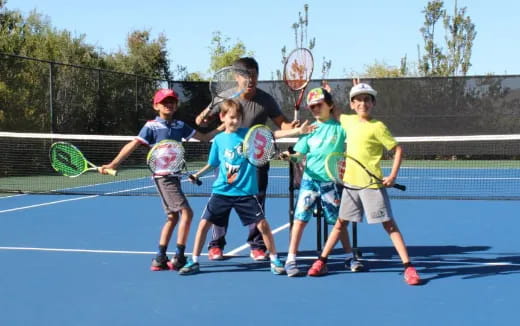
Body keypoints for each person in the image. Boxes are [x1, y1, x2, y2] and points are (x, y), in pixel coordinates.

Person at [179, 99, 313, 275]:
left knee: (263, 225)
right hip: (221, 192)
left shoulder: (249, 135)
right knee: (204, 224)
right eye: (232, 117)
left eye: (239, 117)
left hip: (246, 192)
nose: (236, 121)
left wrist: (297, 131)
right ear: (222, 117)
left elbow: (272, 134)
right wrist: (197, 175)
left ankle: (274, 260)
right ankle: (194, 260)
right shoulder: (218, 140)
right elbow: (213, 163)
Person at [307, 82, 421, 285]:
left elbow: (398, 150)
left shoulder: (378, 127)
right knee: (340, 224)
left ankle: (408, 267)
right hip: (350, 185)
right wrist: (328, 94)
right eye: (358, 99)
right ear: (352, 104)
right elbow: (335, 111)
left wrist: (392, 176)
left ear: (373, 103)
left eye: (367, 99)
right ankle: (321, 261)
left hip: (371, 186)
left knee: (389, 226)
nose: (362, 103)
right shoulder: (348, 121)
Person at [100, 88, 221, 271]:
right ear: (156, 105)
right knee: (187, 213)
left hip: (175, 176)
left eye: (172, 101)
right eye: (164, 102)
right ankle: (179, 257)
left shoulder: (180, 125)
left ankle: (160, 258)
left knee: (172, 217)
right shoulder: (151, 126)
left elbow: (203, 137)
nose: (169, 104)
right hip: (163, 177)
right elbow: (133, 144)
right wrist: (114, 164)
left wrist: (223, 127)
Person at [195, 57, 296, 261]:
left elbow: (281, 124)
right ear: (236, 76)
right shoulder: (226, 97)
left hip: (256, 161)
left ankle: (257, 246)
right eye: (246, 75)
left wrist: (292, 127)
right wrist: (203, 118)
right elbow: (199, 120)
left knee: (257, 204)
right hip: (229, 161)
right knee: (221, 206)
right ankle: (216, 245)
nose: (251, 80)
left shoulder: (266, 100)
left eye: (254, 75)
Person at [280, 87, 363, 277]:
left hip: (331, 183)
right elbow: (299, 154)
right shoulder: (309, 130)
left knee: (338, 223)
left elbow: (355, 128)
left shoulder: (341, 128)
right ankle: (291, 259)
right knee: (300, 219)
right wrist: (288, 156)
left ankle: (349, 256)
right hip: (309, 181)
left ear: (330, 106)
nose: (315, 109)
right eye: (312, 107)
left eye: (319, 105)